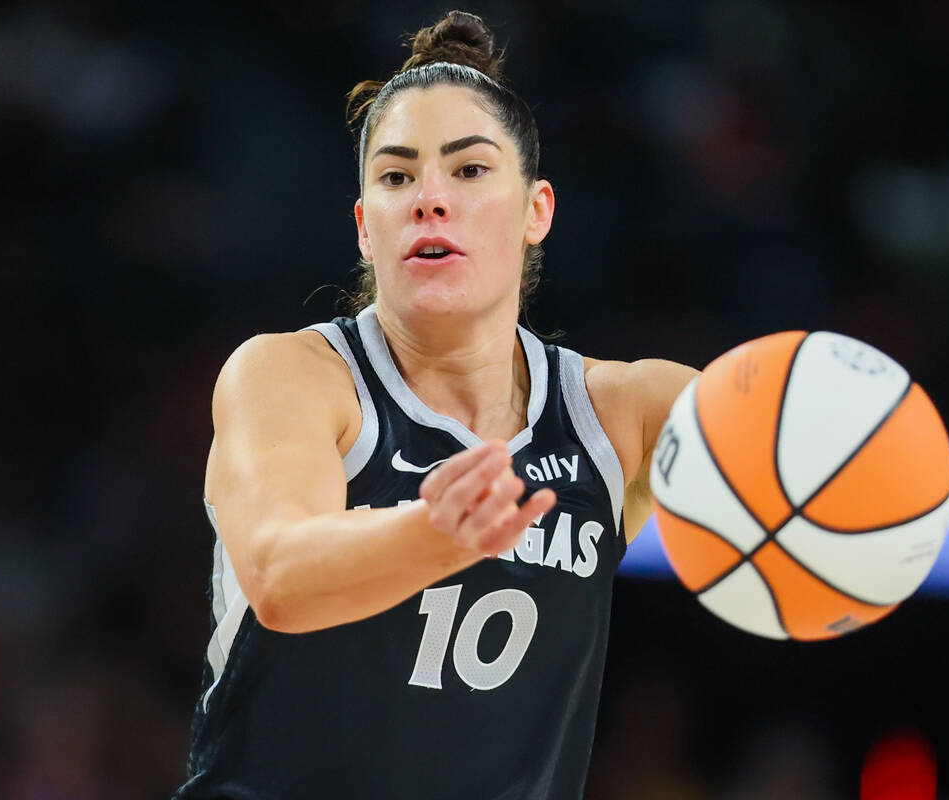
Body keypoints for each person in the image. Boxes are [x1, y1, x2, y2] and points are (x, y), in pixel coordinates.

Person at [174, 11, 697, 799]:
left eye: (470, 170)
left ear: (537, 212)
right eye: (395, 176)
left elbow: (790, 438)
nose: (429, 199)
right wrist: (433, 534)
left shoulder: (623, 411)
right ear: (363, 228)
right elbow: (280, 576)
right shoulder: (292, 375)